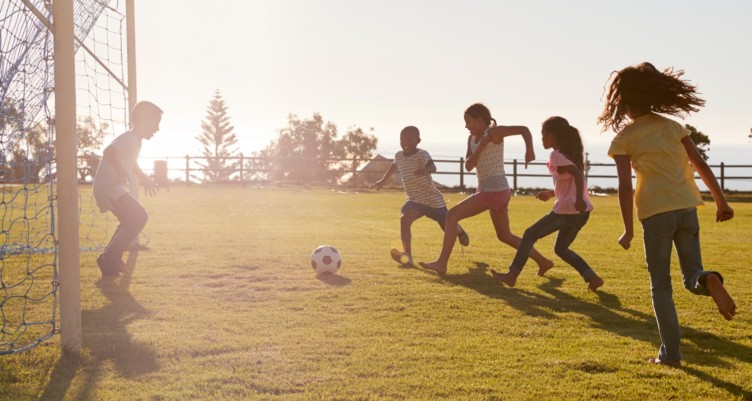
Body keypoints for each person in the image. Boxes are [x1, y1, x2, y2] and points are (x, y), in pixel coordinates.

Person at [598, 62, 736, 367]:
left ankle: (671, 355)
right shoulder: (673, 126)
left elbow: (623, 187)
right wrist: (721, 201)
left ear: (623, 102)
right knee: (691, 276)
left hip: (655, 212)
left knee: (660, 286)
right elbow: (700, 165)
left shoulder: (624, 138)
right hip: (687, 207)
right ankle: (708, 278)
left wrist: (627, 228)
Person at [419, 103, 553, 275]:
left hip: (495, 191)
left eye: (468, 121)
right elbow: (468, 166)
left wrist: (529, 151)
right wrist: (481, 147)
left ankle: (441, 263)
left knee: (452, 215)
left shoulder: (494, 132)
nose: (465, 125)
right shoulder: (472, 139)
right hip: (492, 191)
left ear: (479, 120)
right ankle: (544, 262)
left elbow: (524, 130)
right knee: (504, 235)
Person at [491, 117, 604, 290]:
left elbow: (578, 174)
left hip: (569, 210)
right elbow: (571, 180)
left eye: (544, 134)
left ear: (553, 136)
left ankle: (512, 275)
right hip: (582, 212)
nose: (542, 138)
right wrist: (552, 194)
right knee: (561, 249)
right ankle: (592, 277)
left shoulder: (556, 156)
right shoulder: (568, 154)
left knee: (529, 234)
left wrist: (579, 200)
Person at [371, 126, 470, 266]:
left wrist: (426, 169)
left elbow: (433, 167)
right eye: (402, 139)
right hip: (414, 200)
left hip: (432, 200)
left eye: (409, 139)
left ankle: (459, 231)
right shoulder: (399, 156)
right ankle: (408, 257)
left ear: (418, 141)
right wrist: (382, 181)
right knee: (404, 220)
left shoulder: (422, 155)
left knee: (446, 226)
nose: (405, 142)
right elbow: (394, 166)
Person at [93, 101, 163, 277]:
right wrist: (119, 169)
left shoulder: (136, 142)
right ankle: (111, 256)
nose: (157, 129)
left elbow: (133, 164)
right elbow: (109, 151)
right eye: (155, 123)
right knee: (140, 216)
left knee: (131, 220)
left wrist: (145, 179)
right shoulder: (129, 138)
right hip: (108, 187)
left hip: (110, 187)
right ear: (143, 121)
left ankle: (107, 260)